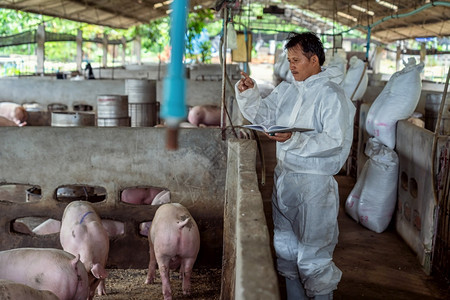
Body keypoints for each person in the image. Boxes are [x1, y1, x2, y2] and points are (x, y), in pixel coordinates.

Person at [235, 32, 355, 299]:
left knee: (313, 254)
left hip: (314, 184)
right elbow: (264, 114)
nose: (291, 66)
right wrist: (250, 94)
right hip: (285, 177)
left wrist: (295, 138)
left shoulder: (331, 95)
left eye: (297, 60)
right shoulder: (288, 89)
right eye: (289, 59)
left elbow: (334, 140)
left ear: (314, 60)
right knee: (286, 248)